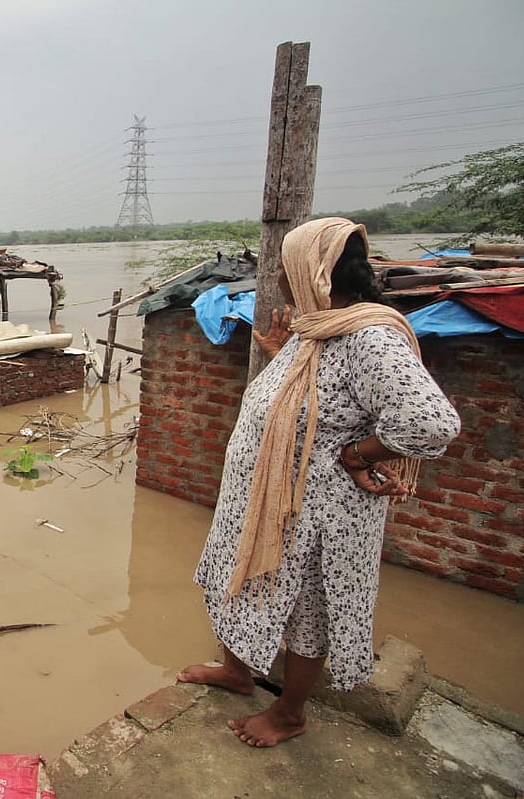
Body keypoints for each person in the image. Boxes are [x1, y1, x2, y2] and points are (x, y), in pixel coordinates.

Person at [177, 216, 461, 747]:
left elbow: (430, 422)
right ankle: (238, 673)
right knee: (240, 581)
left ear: (314, 271)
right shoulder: (318, 328)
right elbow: (309, 401)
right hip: (258, 502)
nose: (278, 278)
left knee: (309, 608)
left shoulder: (369, 338)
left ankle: (289, 714)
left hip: (317, 513)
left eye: (283, 267)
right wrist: (277, 349)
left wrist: (357, 454)